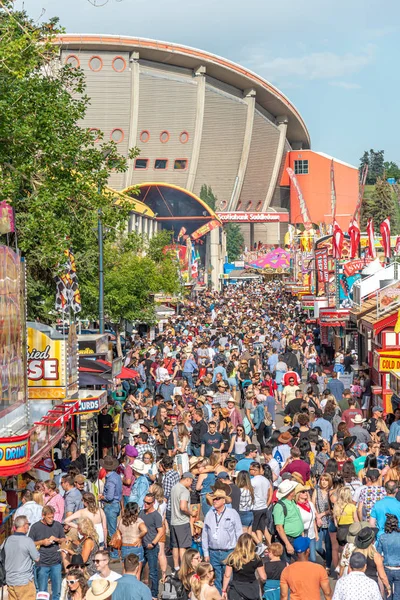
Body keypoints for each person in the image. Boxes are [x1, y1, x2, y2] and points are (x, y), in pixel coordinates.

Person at [202, 489, 243, 593]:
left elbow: (239, 532)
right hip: (213, 552)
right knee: (215, 580)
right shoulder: (209, 514)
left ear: (224, 501)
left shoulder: (232, 513)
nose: (215, 501)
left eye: (217, 499)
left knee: (229, 578)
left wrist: (239, 551)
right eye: (214, 499)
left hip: (229, 552)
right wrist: (206, 553)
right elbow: (205, 534)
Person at [29, 505, 65, 600]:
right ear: (43, 515)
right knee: (42, 592)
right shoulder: (35, 527)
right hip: (41, 563)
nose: (51, 520)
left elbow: (63, 540)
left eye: (52, 517)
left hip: (56, 562)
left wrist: (56, 539)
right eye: (49, 517)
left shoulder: (57, 525)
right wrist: (42, 542)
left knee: (57, 591)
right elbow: (29, 543)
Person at [4, 515, 39, 600]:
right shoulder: (28, 541)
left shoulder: (7, 540)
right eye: (28, 524)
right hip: (24, 581)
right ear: (25, 525)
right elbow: (37, 558)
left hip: (10, 580)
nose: (29, 526)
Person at [222, 533, 266, 600]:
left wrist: (224, 590)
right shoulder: (256, 558)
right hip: (251, 589)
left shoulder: (233, 557)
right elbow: (263, 577)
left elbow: (227, 575)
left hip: (236, 589)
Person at [139, 493, 164, 600]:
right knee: (138, 570)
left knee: (153, 572)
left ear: (153, 503)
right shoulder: (141, 513)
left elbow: (161, 531)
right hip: (141, 546)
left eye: (148, 503)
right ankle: (139, 591)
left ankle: (154, 594)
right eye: (145, 502)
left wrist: (153, 543)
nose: (146, 504)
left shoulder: (156, 515)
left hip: (151, 547)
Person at [272, 480, 304, 560]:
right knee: (287, 564)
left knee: (300, 563)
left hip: (297, 537)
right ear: (290, 492)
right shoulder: (279, 506)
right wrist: (287, 544)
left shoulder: (292, 501)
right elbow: (279, 527)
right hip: (288, 539)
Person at [99, 455, 122, 560]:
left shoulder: (111, 479)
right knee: (114, 529)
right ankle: (115, 551)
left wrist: (101, 497)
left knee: (112, 531)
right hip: (116, 505)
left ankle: (114, 553)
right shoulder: (117, 476)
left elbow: (109, 497)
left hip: (111, 506)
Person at [170, 472, 194, 569]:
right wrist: (191, 513)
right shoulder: (184, 491)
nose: (191, 484)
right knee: (183, 547)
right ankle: (184, 568)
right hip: (182, 522)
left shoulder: (174, 488)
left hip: (173, 521)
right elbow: (183, 507)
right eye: (191, 481)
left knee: (175, 546)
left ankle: (176, 567)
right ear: (187, 479)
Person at [376, 513, 400, 599]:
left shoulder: (382, 537)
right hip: (399, 568)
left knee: (388, 594)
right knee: (398, 595)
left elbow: (378, 553)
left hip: (387, 568)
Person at [294, 484, 318, 562]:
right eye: (303, 492)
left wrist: (316, 534)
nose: (306, 493)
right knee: (303, 558)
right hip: (302, 535)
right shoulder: (296, 507)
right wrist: (301, 534)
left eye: (306, 491)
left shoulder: (310, 504)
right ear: (298, 494)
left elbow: (313, 520)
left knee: (313, 559)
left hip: (311, 535)